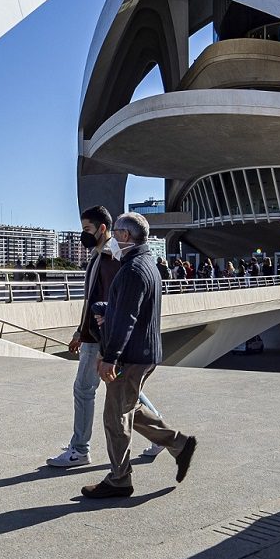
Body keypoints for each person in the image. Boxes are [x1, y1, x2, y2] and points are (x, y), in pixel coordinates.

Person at [82, 212, 198, 499]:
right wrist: (106, 309)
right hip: (143, 352)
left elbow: (127, 318)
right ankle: (179, 444)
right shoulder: (147, 264)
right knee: (128, 408)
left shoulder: (132, 269)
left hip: (131, 355)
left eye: (116, 233)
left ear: (123, 236)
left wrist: (110, 357)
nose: (112, 240)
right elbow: (129, 307)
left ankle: (120, 479)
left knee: (114, 417)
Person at [47, 206, 164, 469]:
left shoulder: (113, 256)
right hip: (93, 334)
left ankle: (80, 449)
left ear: (103, 229)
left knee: (85, 389)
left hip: (101, 337)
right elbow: (91, 297)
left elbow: (117, 304)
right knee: (125, 391)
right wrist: (80, 330)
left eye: (87, 229)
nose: (83, 235)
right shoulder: (99, 254)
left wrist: (106, 347)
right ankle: (160, 435)